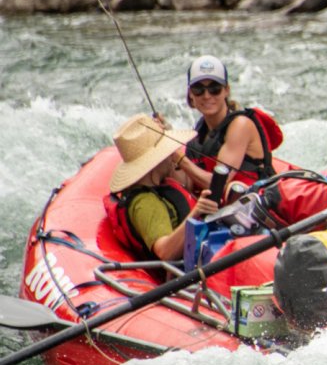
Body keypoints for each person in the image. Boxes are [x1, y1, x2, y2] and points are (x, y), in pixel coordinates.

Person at [103, 114, 218, 262]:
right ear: (156, 161)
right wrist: (196, 212)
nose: (172, 157)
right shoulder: (145, 203)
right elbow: (164, 252)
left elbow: (186, 184)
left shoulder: (158, 184)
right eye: (167, 152)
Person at [177, 55, 283, 202]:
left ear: (226, 90)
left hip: (254, 205)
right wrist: (165, 146)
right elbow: (186, 184)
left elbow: (217, 185)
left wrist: (180, 159)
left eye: (214, 88)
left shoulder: (241, 125)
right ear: (190, 94)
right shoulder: (199, 132)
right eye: (198, 89)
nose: (206, 96)